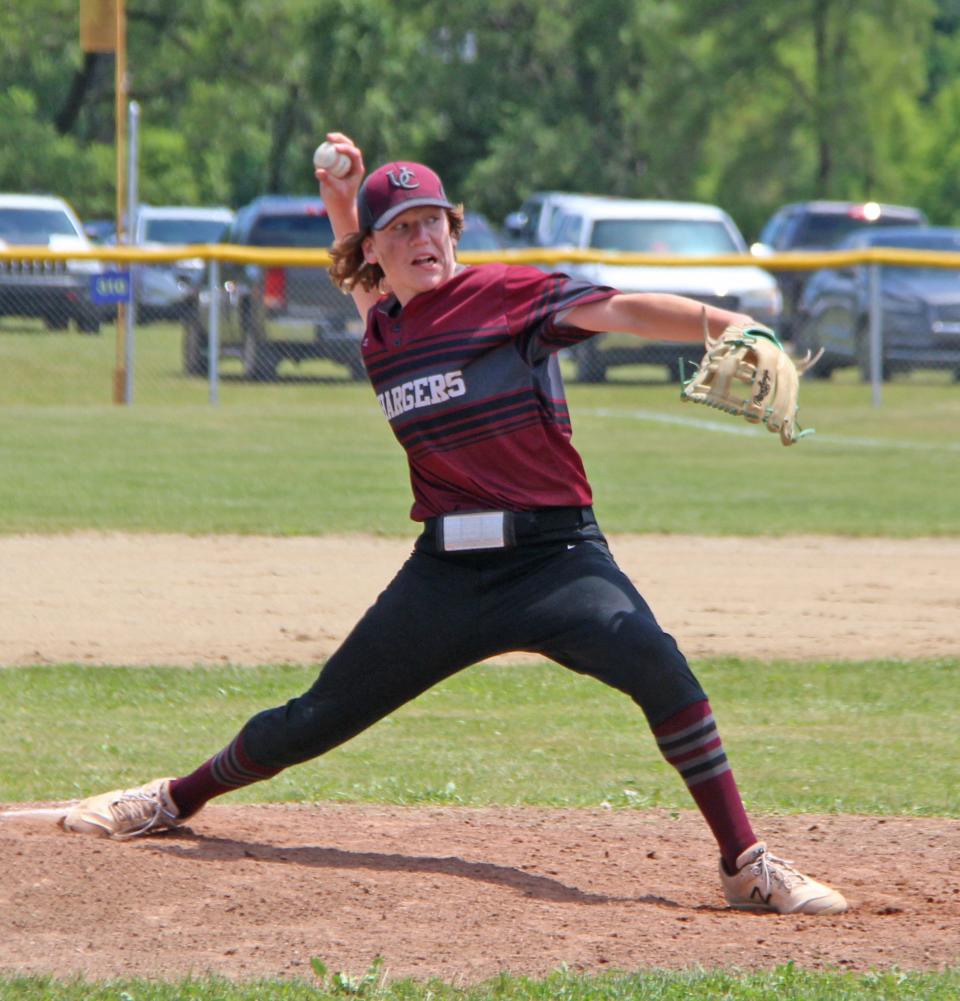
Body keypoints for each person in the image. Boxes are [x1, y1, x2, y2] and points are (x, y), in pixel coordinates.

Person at [61, 133, 846, 916]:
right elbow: (356, 263)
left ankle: (746, 865)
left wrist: (726, 322)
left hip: (556, 558)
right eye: (401, 227)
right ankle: (174, 797)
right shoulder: (382, 329)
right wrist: (346, 193)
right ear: (376, 250)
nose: (423, 237)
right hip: (444, 573)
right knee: (314, 717)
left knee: (661, 669)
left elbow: (621, 307)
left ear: (455, 230)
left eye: (434, 220)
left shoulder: (509, 298)